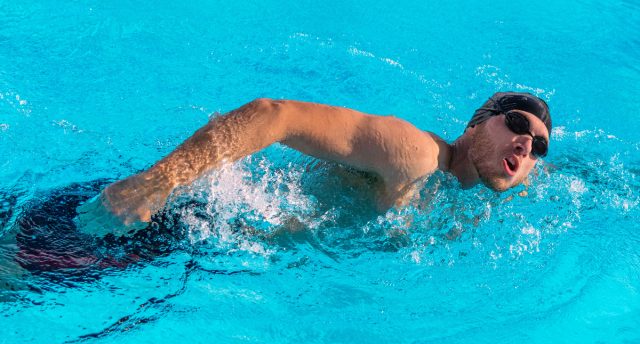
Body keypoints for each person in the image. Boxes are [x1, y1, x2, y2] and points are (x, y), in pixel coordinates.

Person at [75, 91, 550, 237]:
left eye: (540, 146)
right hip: (175, 225)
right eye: (515, 124)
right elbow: (274, 115)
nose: (527, 144)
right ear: (473, 127)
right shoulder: (415, 153)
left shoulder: (458, 191)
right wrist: (157, 184)